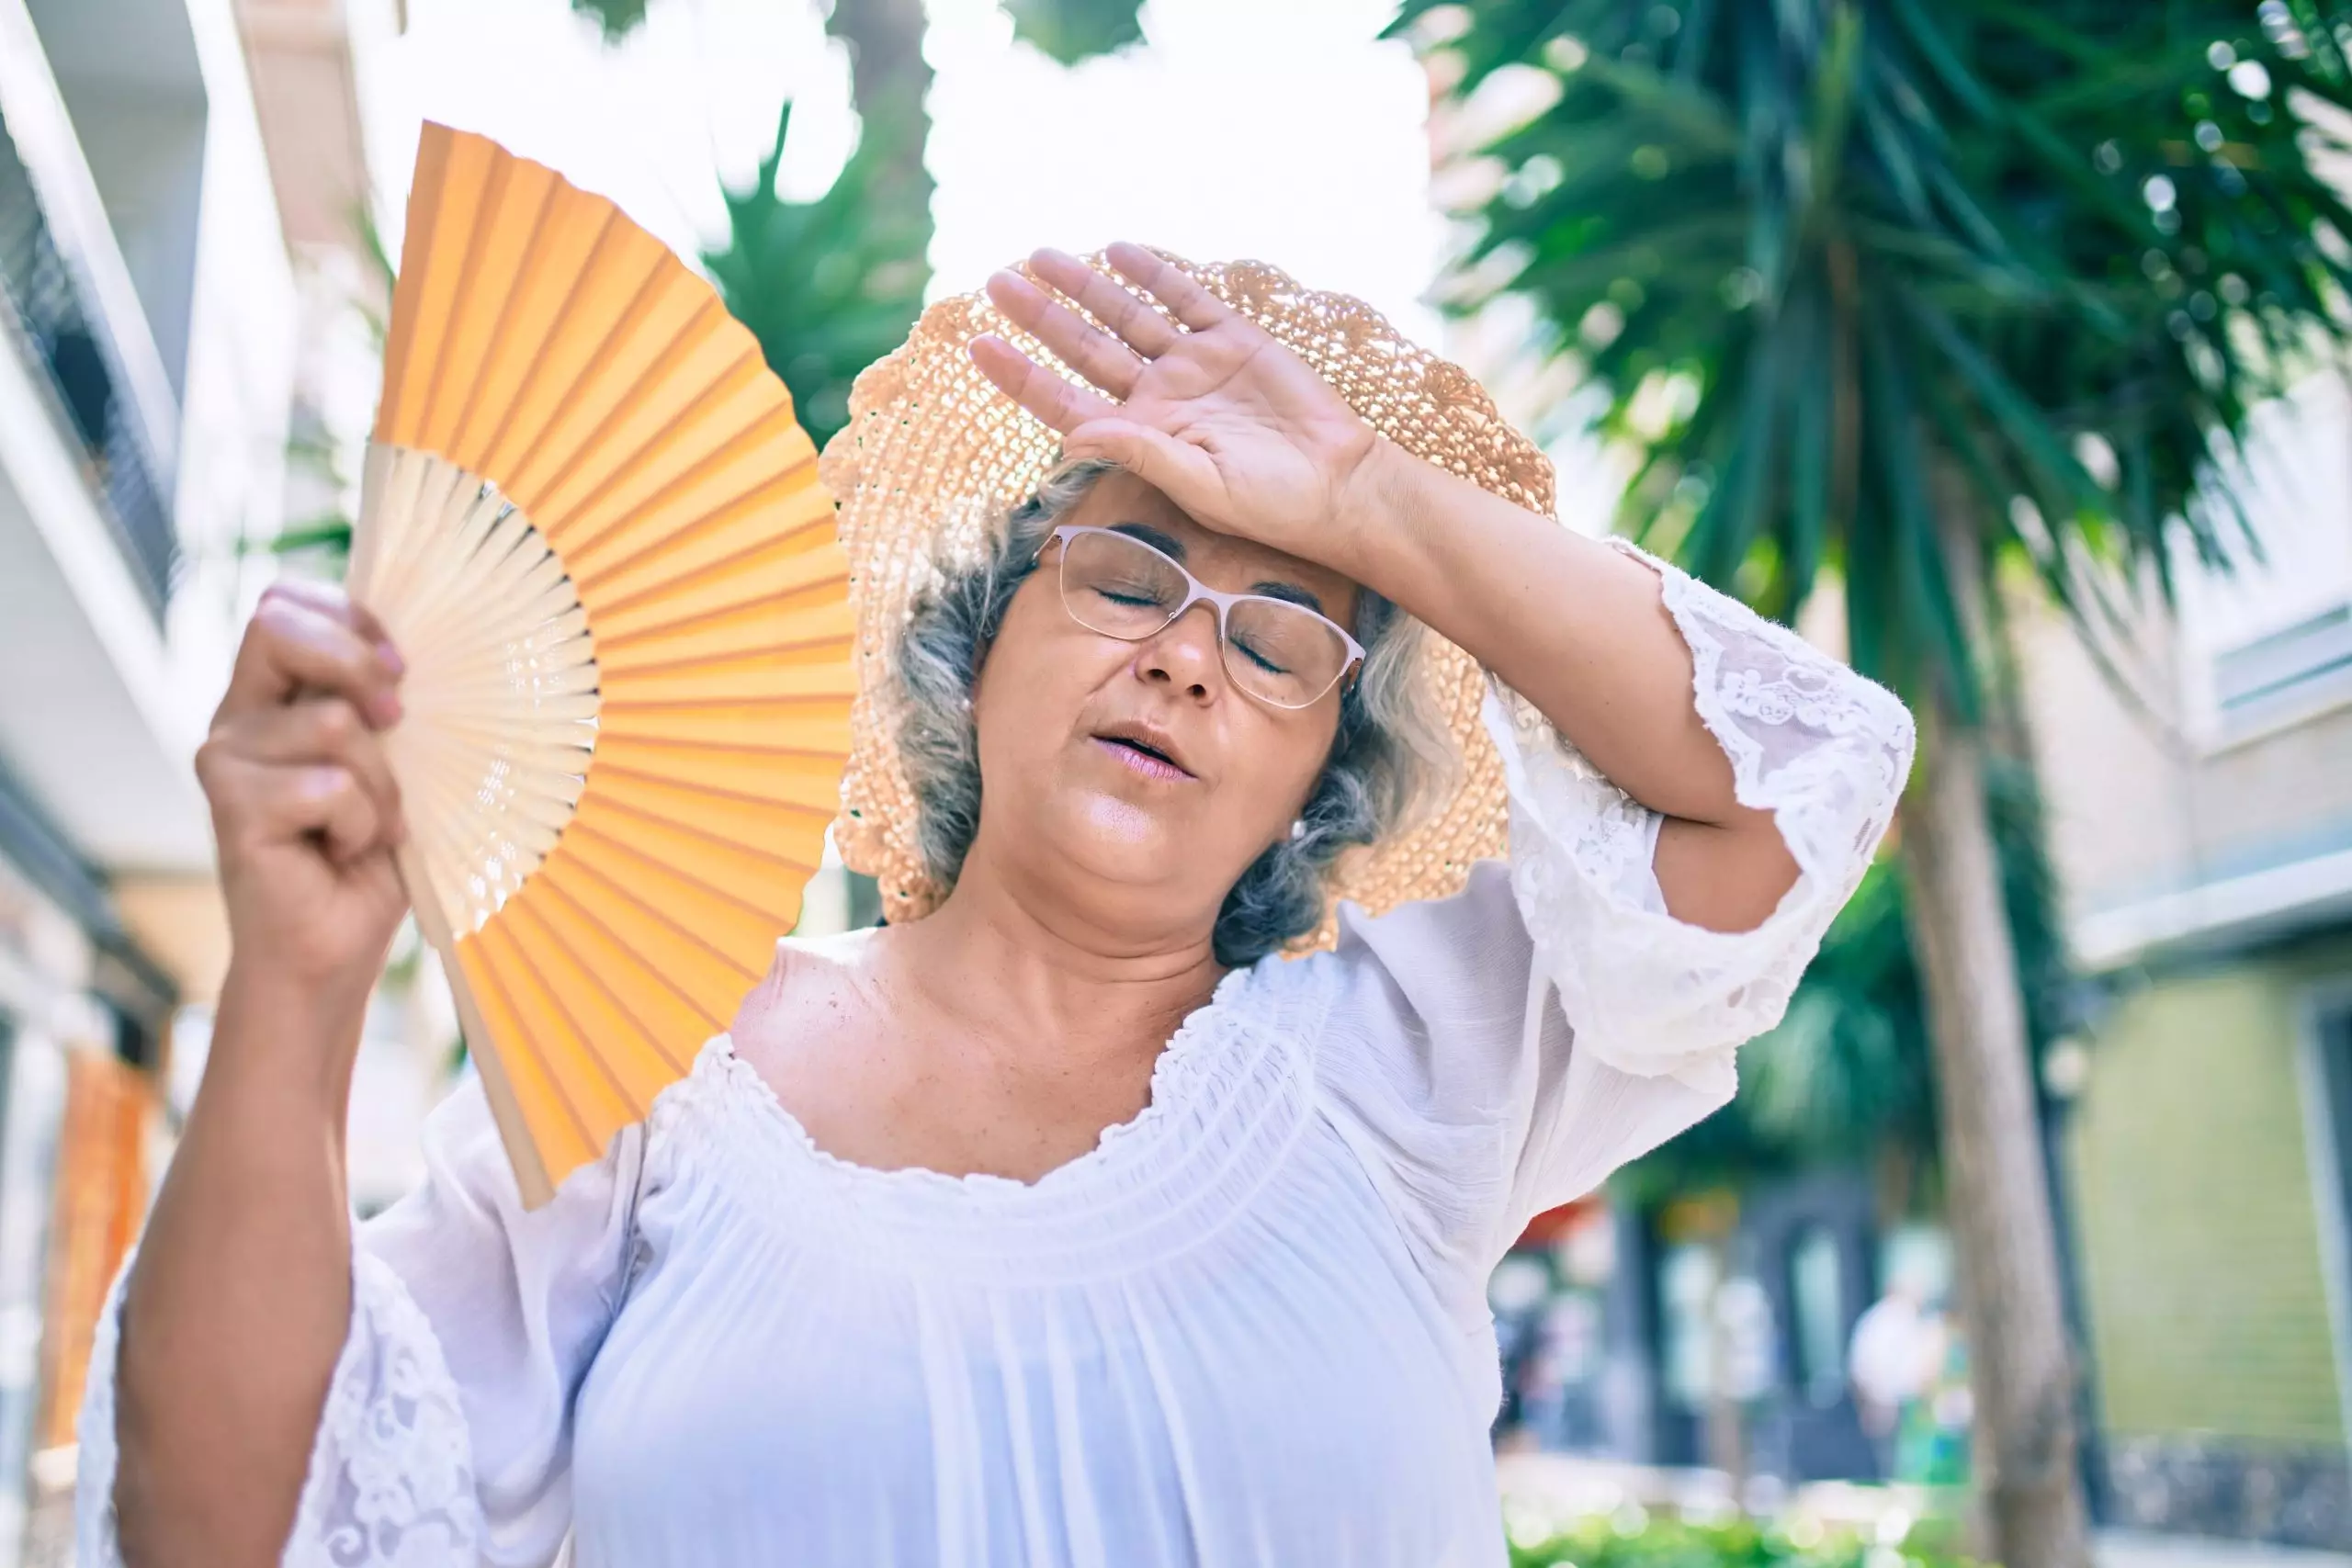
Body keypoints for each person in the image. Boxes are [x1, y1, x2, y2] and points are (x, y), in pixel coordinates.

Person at [83, 243, 1915, 1566]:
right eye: (1125, 574)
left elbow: (1794, 780)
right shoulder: (654, 1080)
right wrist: (297, 987)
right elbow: (222, 1526)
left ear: (1319, 777)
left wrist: (1366, 498)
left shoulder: (1411, 1050)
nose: (1190, 657)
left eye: (1283, 639)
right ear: (978, 646)